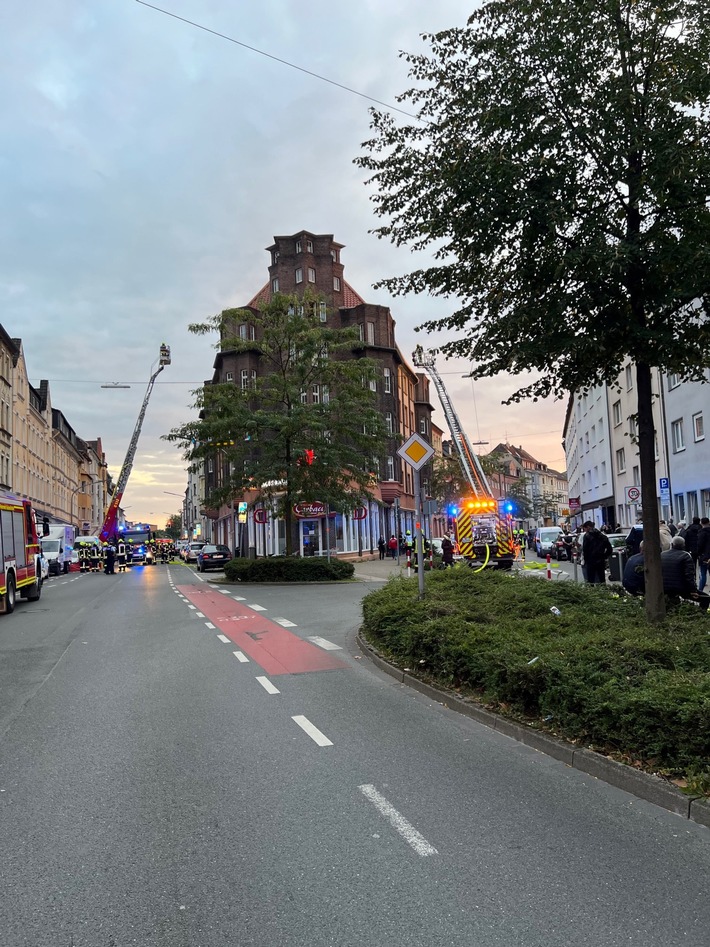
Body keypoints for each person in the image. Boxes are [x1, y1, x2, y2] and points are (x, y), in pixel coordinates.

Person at [661, 535, 710, 610]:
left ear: (671, 545)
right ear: (683, 546)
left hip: (663, 587)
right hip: (680, 588)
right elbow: (689, 576)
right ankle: (700, 615)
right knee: (705, 598)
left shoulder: (662, 555)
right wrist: (693, 590)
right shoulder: (686, 556)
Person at [581, 520, 612, 585]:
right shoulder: (603, 536)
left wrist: (586, 560)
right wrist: (604, 556)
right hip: (600, 560)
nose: (585, 530)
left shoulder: (587, 536)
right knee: (601, 578)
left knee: (590, 580)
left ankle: (592, 593)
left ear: (588, 527)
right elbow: (609, 549)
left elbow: (585, 549)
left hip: (590, 561)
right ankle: (603, 592)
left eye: (585, 529)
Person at [697, 516, 710, 592]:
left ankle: (700, 591)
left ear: (701, 523)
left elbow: (700, 545)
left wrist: (698, 553)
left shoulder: (702, 532)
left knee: (703, 573)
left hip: (704, 556)